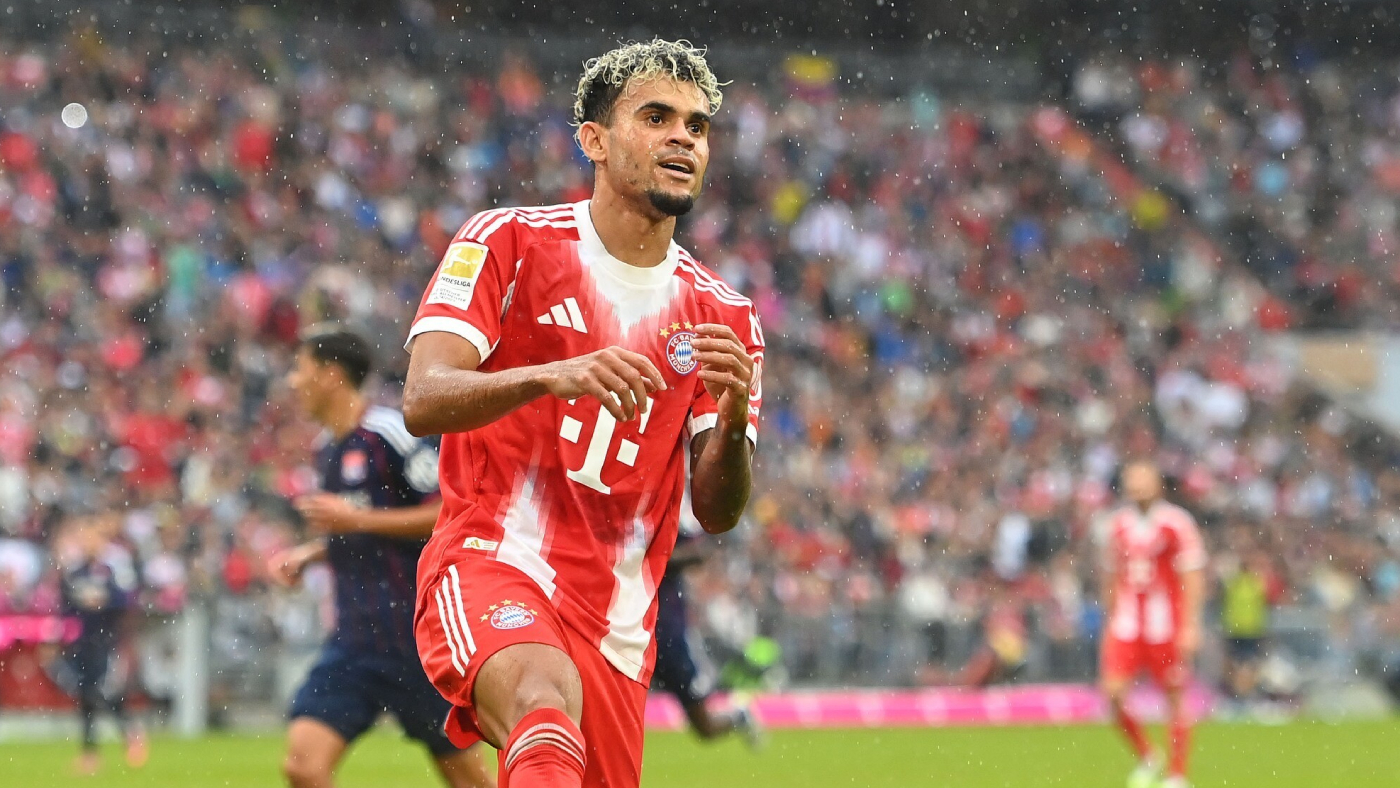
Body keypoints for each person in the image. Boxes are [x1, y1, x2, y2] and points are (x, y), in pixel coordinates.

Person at [402, 38, 763, 788]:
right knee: (540, 702)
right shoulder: (508, 241)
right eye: (657, 118)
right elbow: (424, 398)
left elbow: (718, 511)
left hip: (617, 627)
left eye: (697, 126)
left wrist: (733, 424)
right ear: (594, 141)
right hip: (494, 560)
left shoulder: (724, 315)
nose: (683, 139)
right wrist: (550, 375)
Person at [268, 327, 494, 788]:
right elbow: (363, 528)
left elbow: (449, 512)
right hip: (355, 641)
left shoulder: (389, 432)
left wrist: (355, 520)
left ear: (331, 375)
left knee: (469, 782)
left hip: (415, 639)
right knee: (303, 768)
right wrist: (313, 555)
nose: (293, 381)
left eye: (300, 369)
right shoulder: (328, 448)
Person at [1099, 461, 1207, 788]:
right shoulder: (1117, 525)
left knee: (1174, 696)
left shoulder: (1177, 523)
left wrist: (1190, 624)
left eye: (1143, 480)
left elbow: (1192, 575)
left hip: (1165, 625)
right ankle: (1148, 754)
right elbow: (1112, 575)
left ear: (1158, 484)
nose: (1137, 487)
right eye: (1132, 481)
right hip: (1127, 623)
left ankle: (1177, 775)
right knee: (1112, 693)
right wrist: (1110, 618)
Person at [651, 515, 761, 746]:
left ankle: (738, 716)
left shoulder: (671, 514)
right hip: (633, 632)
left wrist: (652, 556)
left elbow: (699, 551)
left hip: (669, 636)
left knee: (705, 726)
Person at [52, 513, 146, 775]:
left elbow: (126, 600)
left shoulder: (113, 569)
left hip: (107, 640)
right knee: (87, 695)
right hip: (84, 641)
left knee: (102, 692)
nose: (88, 542)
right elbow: (66, 605)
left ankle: (128, 731)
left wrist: (104, 601)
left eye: (92, 537)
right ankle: (92, 752)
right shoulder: (75, 572)